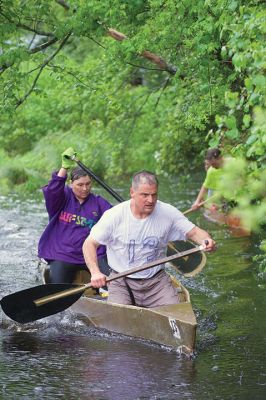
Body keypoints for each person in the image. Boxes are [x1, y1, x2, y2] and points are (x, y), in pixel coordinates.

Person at [82, 170, 216, 308]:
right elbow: (89, 244)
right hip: (121, 282)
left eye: (154, 195)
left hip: (157, 282)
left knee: (178, 316)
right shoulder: (114, 215)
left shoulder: (168, 212)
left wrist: (206, 240)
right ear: (132, 192)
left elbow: (194, 232)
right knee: (116, 326)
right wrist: (95, 272)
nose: (151, 200)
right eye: (145, 195)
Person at [38, 147, 112, 284]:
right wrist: (64, 168)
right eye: (80, 185)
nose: (85, 188)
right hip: (63, 255)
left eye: (88, 184)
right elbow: (53, 190)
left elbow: (117, 217)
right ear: (71, 184)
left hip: (94, 255)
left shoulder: (99, 202)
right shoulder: (62, 197)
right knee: (57, 288)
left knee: (114, 282)